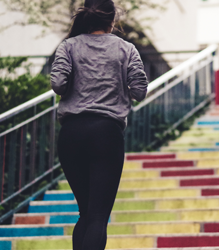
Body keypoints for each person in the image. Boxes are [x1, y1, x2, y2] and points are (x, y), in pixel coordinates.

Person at [50, 0, 148, 249]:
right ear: (112, 20)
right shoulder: (126, 49)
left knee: (85, 212)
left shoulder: (68, 46)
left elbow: (58, 84)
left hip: (71, 134)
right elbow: (139, 90)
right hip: (106, 134)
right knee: (97, 216)